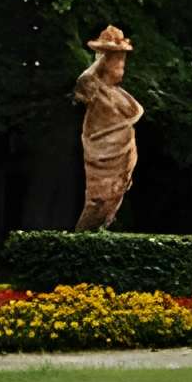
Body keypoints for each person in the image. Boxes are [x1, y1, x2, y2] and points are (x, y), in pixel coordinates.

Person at [72, 26, 143, 232]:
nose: (122, 65)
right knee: (97, 202)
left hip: (121, 162)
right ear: (104, 62)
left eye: (123, 59)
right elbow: (83, 81)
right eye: (117, 60)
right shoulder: (95, 90)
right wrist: (100, 58)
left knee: (112, 204)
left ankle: (98, 238)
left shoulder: (120, 95)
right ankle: (80, 242)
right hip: (101, 158)